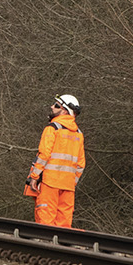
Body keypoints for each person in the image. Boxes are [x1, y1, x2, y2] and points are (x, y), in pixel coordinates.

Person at [24, 93, 85, 228]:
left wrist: (34, 176)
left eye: (56, 105)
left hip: (50, 183)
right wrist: (71, 182)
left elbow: (44, 155)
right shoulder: (79, 134)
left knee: (46, 223)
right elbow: (80, 165)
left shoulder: (52, 129)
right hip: (68, 186)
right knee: (64, 226)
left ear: (64, 110)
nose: (52, 107)